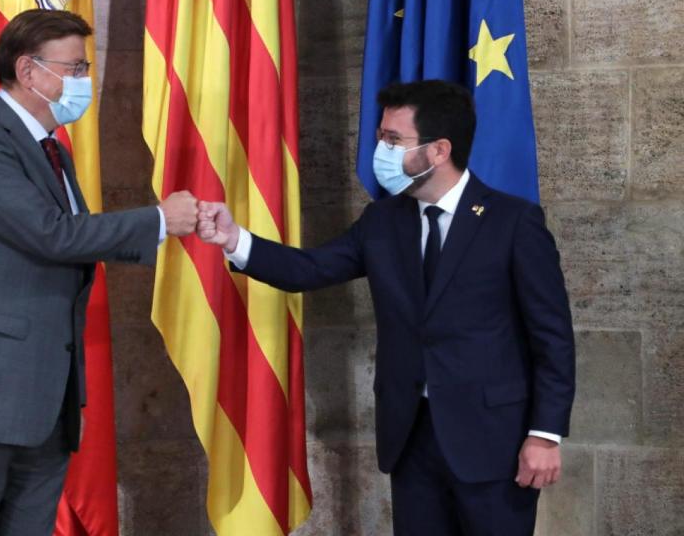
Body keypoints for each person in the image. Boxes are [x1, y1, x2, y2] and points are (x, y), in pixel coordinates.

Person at [197, 80, 574, 535]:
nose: (381, 149)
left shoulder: (513, 222)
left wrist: (545, 434)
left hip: (495, 442)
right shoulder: (382, 220)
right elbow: (309, 269)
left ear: (438, 150)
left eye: (394, 140)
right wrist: (234, 240)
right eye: (381, 137)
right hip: (411, 438)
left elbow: (551, 337)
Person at [0, 9, 198, 535]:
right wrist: (157, 220)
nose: (84, 81)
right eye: (74, 68)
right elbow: (51, 235)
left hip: (39, 401)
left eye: (85, 69)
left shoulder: (49, 149)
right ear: (29, 72)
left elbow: (66, 239)